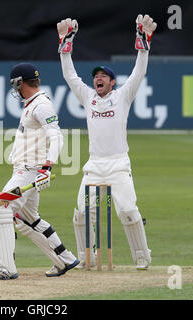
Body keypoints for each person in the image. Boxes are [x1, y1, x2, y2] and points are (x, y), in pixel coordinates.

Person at [57, 15, 157, 270]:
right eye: (96, 76)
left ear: (112, 82)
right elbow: (70, 76)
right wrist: (65, 47)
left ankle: (142, 256)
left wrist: (143, 46)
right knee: (81, 214)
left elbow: (139, 72)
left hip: (118, 164)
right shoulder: (88, 97)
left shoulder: (122, 96)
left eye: (103, 76)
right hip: (95, 165)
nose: (98, 79)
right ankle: (85, 258)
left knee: (128, 212)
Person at [0, 62, 80, 280]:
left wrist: (47, 167)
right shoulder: (32, 104)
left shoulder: (41, 105)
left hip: (29, 171)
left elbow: (56, 136)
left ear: (20, 83)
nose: (14, 89)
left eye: (15, 84)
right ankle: (64, 259)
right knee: (28, 218)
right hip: (23, 170)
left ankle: (6, 268)